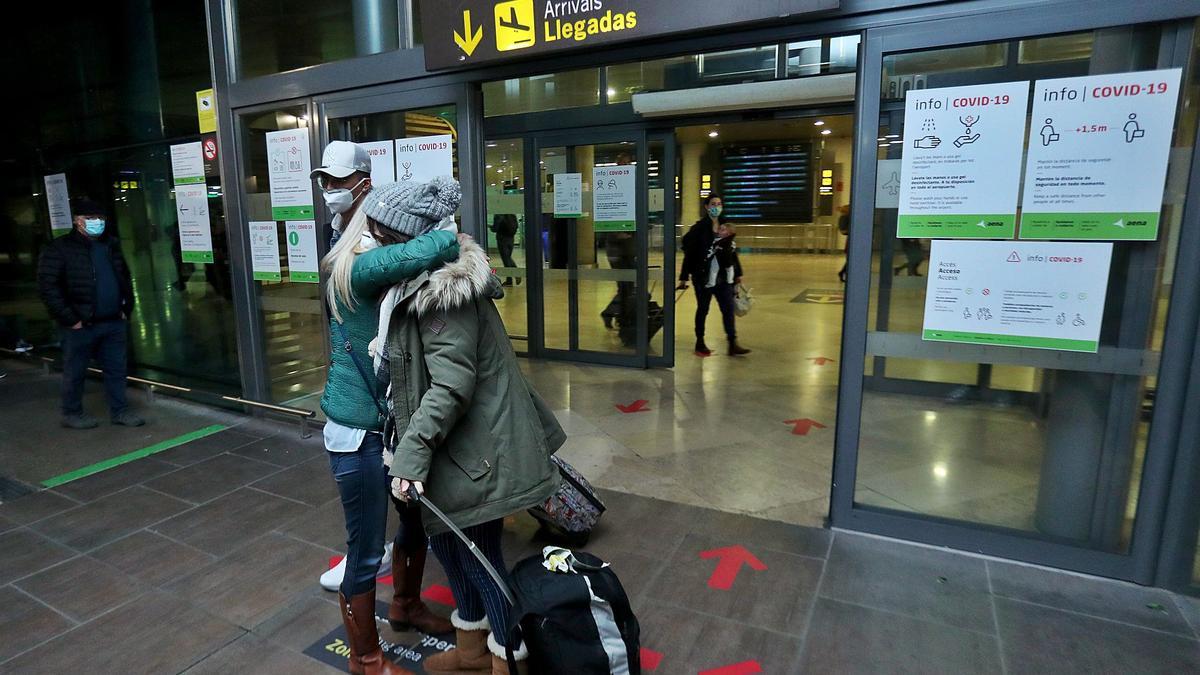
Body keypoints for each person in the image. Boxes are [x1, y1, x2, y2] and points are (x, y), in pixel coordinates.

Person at [379, 177, 565, 675]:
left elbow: (451, 384)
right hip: (454, 449)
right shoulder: (416, 283)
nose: (374, 247)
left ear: (409, 241)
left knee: (481, 560)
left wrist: (412, 451)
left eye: (381, 237)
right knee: (449, 547)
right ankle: (472, 651)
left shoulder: (444, 293)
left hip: (475, 451)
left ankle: (509, 660)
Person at [320, 178, 463, 675]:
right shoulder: (357, 264)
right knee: (363, 553)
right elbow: (436, 245)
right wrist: (445, 232)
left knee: (412, 523)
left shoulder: (373, 256)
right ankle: (366, 659)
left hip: (387, 430)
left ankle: (405, 605)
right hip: (357, 434)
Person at [37, 199, 144, 429]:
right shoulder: (60, 248)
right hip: (81, 324)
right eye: (90, 218)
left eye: (101, 219)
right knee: (75, 371)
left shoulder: (110, 245)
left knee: (117, 370)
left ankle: (120, 411)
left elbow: (123, 278)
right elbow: (48, 287)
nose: (97, 223)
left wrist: (126, 308)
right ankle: (71, 413)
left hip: (113, 321)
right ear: (77, 221)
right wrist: (70, 318)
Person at [678, 194, 750, 357]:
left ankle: (732, 343)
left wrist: (738, 273)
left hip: (724, 278)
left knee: (728, 309)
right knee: (703, 309)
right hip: (703, 277)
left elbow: (732, 252)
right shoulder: (699, 228)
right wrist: (684, 275)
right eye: (713, 204)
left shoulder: (726, 226)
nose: (716, 206)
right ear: (706, 207)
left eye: (719, 204)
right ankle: (700, 342)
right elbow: (688, 252)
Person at [313, 140, 376, 248]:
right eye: (324, 180)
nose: (329, 187)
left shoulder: (381, 227)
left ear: (365, 184)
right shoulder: (336, 226)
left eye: (339, 179)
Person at [489, 213, 519, 285]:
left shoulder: (498, 215)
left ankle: (512, 278)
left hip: (502, 240)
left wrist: (490, 227)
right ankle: (513, 277)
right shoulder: (512, 214)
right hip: (511, 239)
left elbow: (495, 228)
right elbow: (516, 226)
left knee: (506, 260)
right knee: (508, 258)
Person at [837, 204, 851, 283]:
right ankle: (843, 272)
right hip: (850, 242)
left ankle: (842, 272)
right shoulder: (845, 218)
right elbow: (843, 230)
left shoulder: (845, 217)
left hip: (849, 242)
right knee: (849, 260)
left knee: (849, 260)